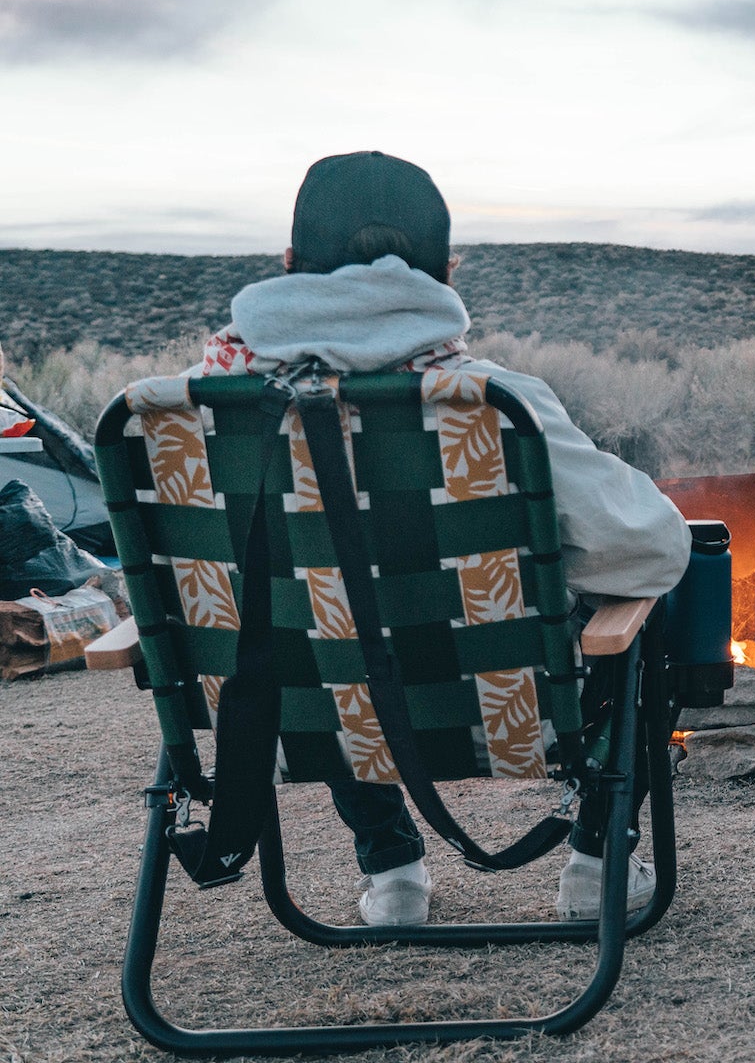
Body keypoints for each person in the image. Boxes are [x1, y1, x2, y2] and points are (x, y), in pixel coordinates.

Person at [192, 151, 692, 927]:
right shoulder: (491, 406)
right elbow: (652, 551)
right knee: (657, 602)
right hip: (502, 707)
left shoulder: (193, 415)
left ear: (290, 266)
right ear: (445, 274)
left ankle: (391, 874)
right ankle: (598, 861)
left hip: (293, 716)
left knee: (317, 622)